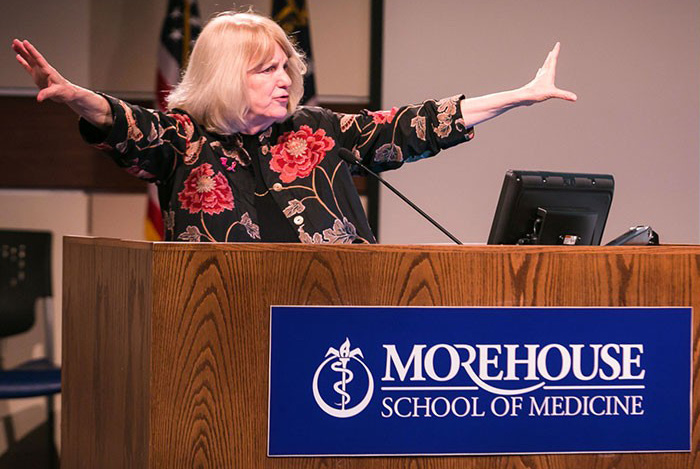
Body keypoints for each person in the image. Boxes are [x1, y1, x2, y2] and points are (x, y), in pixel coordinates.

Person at [11, 11, 576, 244]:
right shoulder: (184, 139)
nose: (284, 79)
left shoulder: (319, 129)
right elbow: (128, 127)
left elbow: (413, 126)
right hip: (224, 333)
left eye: (287, 66)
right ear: (226, 77)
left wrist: (520, 97)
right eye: (265, 70)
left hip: (341, 326)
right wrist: (79, 99)